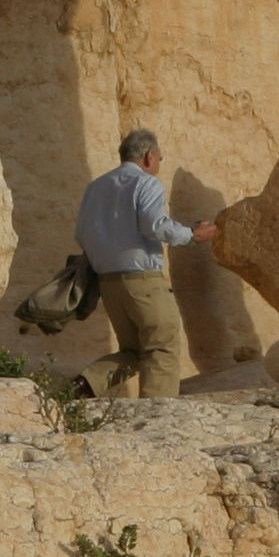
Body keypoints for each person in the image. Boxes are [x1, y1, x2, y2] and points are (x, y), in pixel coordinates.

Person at [74, 129, 216, 399]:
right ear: (150, 156)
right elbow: (155, 225)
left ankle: (84, 385)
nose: (159, 164)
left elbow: (81, 234)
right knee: (162, 347)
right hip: (143, 281)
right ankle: (157, 413)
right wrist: (192, 234)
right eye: (160, 158)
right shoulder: (146, 183)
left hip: (109, 282)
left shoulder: (96, 187)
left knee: (135, 351)